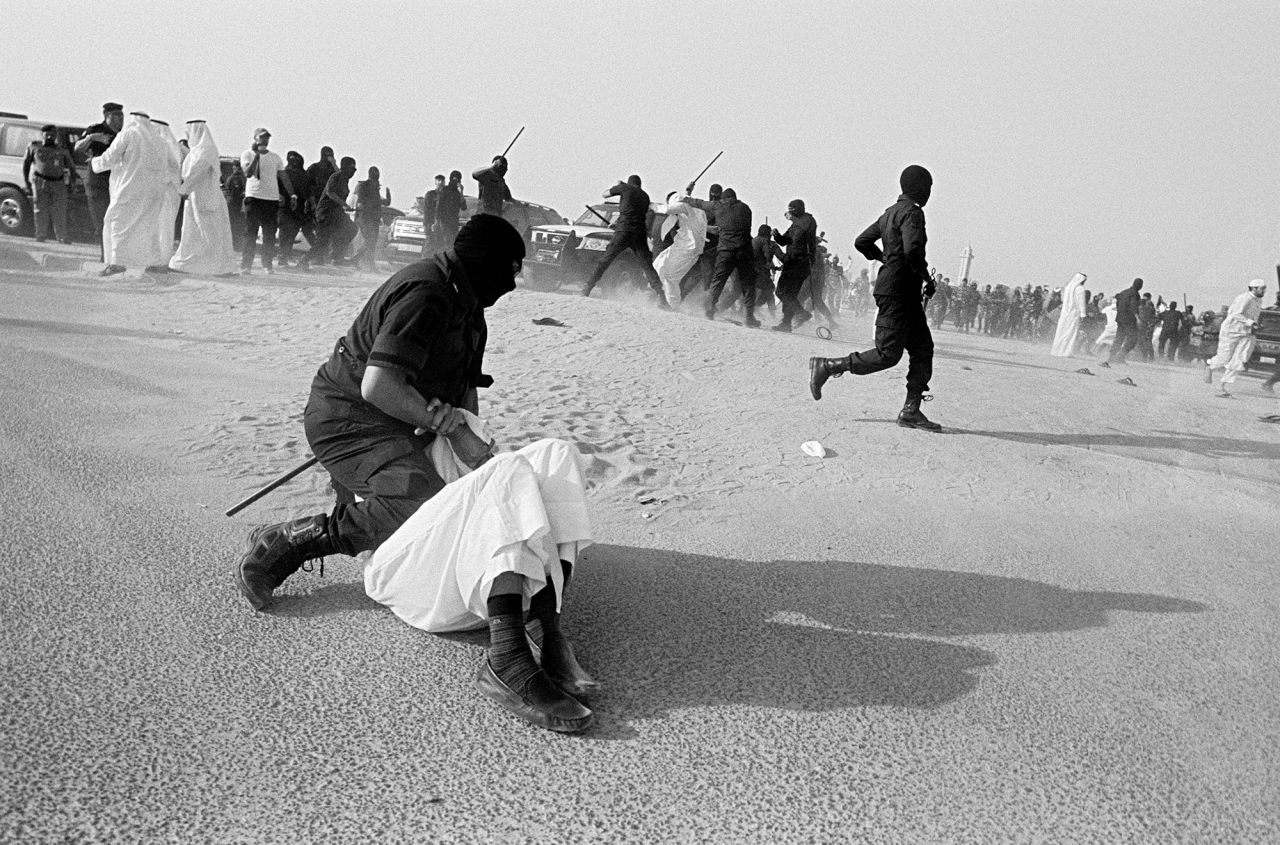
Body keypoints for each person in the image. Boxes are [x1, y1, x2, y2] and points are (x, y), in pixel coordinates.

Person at [233, 215, 597, 732]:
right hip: (353, 422)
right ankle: (293, 541)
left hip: (412, 427)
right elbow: (378, 385)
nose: (513, 283)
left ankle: (547, 627)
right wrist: (442, 425)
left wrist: (469, 442)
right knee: (416, 499)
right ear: (485, 265)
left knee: (549, 458)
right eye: (509, 270)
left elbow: (463, 393)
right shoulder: (426, 293)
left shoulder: (468, 304)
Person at [808, 165, 941, 431]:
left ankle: (911, 410)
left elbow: (861, 242)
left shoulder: (890, 213)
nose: (929, 193)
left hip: (898, 290)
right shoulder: (913, 213)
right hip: (900, 291)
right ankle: (828, 365)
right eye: (928, 187)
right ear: (920, 188)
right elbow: (914, 250)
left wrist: (885, 259)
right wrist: (926, 278)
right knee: (887, 354)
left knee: (923, 349)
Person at [91, 111, 167, 276]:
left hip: (129, 189)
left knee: (116, 223)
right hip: (153, 192)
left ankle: (117, 263)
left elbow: (109, 158)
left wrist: (94, 162)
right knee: (149, 227)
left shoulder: (129, 134)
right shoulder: (160, 141)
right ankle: (155, 263)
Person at [579, 176, 669, 307]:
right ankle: (662, 297)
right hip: (639, 234)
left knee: (605, 260)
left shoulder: (624, 188)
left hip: (623, 231)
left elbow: (604, 194)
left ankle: (587, 288)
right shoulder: (645, 196)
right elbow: (635, 213)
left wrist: (617, 186)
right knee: (647, 266)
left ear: (629, 182)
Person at [169, 121, 238, 276]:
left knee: (211, 233)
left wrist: (183, 189)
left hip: (207, 197)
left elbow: (198, 171)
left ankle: (221, 268)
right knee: (191, 234)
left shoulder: (208, 150)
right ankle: (185, 265)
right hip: (194, 198)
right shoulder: (195, 151)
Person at [684, 187, 758, 324]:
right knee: (748, 284)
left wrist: (686, 197)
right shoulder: (746, 208)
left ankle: (710, 309)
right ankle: (749, 317)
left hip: (726, 251)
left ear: (724, 199)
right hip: (744, 251)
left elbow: (699, 203)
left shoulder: (718, 206)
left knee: (718, 280)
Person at [239, 128, 294, 274]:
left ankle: (267, 264)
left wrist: (292, 194)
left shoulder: (275, 157)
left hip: (271, 199)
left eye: (267, 138)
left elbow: (283, 176)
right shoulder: (247, 154)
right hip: (254, 197)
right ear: (255, 139)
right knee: (251, 232)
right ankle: (246, 265)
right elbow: (247, 173)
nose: (265, 140)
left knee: (269, 234)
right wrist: (257, 156)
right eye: (262, 138)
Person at [75, 102, 124, 255]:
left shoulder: (122, 134)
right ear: (107, 116)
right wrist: (92, 138)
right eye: (116, 115)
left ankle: (113, 255)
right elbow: (77, 147)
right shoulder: (96, 130)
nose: (120, 119)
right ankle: (106, 256)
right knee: (102, 220)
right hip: (98, 183)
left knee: (116, 221)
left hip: (116, 183)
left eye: (121, 115)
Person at [1204, 280, 1266, 397]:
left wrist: (1255, 324)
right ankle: (1210, 366)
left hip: (1247, 333)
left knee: (1240, 359)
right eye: (1262, 288)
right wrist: (1250, 322)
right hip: (1231, 330)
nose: (1264, 291)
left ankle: (1222, 386)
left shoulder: (1258, 301)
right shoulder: (1244, 298)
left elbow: (1253, 317)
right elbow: (1236, 314)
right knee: (1225, 357)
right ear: (1254, 288)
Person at [650, 190, 706, 305]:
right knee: (659, 265)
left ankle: (671, 304)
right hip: (689, 248)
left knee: (668, 276)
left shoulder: (683, 207)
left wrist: (649, 204)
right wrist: (688, 192)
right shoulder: (698, 211)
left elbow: (666, 209)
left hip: (686, 248)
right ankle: (666, 299)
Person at [23, 124, 76, 244]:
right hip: (40, 181)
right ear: (42, 135)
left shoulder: (62, 149)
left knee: (60, 211)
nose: (50, 137)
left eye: (53, 135)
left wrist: (72, 183)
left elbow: (71, 168)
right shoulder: (34, 146)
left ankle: (61, 237)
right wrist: (27, 182)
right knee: (40, 210)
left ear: (56, 136)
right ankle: (40, 235)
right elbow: (26, 164)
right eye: (47, 134)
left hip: (58, 182)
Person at [770, 199, 818, 332]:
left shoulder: (808, 221)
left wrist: (793, 220)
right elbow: (785, 241)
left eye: (790, 211)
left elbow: (798, 238)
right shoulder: (797, 223)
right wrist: (777, 235)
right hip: (795, 262)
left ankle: (801, 313)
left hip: (799, 263)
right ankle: (786, 323)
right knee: (789, 294)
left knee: (782, 291)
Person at [149, 119, 183, 271]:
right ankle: (155, 260)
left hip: (167, 193)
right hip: (160, 192)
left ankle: (162, 261)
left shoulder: (169, 146)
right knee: (156, 228)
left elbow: (173, 170)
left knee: (164, 228)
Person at [312, 156, 358, 265]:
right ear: (345, 168)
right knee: (322, 241)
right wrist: (345, 204)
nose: (354, 172)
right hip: (326, 212)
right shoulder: (336, 176)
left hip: (336, 213)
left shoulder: (344, 179)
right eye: (352, 169)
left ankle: (337, 256)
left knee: (351, 229)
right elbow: (330, 192)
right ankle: (305, 261)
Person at [277, 151, 315, 268]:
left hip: (298, 208)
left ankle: (285, 255)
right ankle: (282, 256)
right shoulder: (284, 173)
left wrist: (312, 204)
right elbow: (277, 188)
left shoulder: (303, 175)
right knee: (285, 232)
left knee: (291, 232)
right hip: (286, 207)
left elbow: (309, 191)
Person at [353, 166, 390, 270]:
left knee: (371, 243)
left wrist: (388, 194)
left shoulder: (375, 189)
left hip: (374, 220)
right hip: (365, 219)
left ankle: (364, 262)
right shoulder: (364, 186)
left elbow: (386, 202)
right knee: (370, 241)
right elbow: (361, 203)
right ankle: (360, 260)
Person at [1105, 278, 1143, 363]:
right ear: (1140, 286)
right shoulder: (1135, 294)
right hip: (1129, 319)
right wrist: (1138, 319)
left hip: (1120, 318)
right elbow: (1134, 306)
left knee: (1119, 338)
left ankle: (1111, 357)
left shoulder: (1123, 292)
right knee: (1133, 339)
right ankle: (1121, 356)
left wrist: (1121, 313)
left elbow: (1118, 303)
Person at [1050, 273, 1088, 356]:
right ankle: (1066, 352)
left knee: (1061, 332)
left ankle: (1056, 351)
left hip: (1064, 314)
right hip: (1074, 313)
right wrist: (1083, 314)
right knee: (1070, 332)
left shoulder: (1068, 288)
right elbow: (1081, 302)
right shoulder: (1080, 289)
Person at [751, 223, 779, 311]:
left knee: (767, 289)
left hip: (751, 269)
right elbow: (767, 257)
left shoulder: (754, 240)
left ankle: (756, 307)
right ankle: (758, 308)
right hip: (759, 270)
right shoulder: (764, 241)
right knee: (769, 288)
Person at [421, 173, 446, 255]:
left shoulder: (447, 195)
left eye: (442, 180)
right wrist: (426, 224)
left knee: (440, 247)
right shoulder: (430, 195)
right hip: (431, 224)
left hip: (442, 226)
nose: (440, 182)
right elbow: (426, 211)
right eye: (438, 180)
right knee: (429, 245)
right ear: (435, 182)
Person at [1136, 292, 1158, 360]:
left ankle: (1148, 356)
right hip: (1145, 326)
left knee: (1145, 341)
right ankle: (1147, 356)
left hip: (1146, 326)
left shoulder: (1148, 306)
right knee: (1143, 341)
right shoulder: (1146, 307)